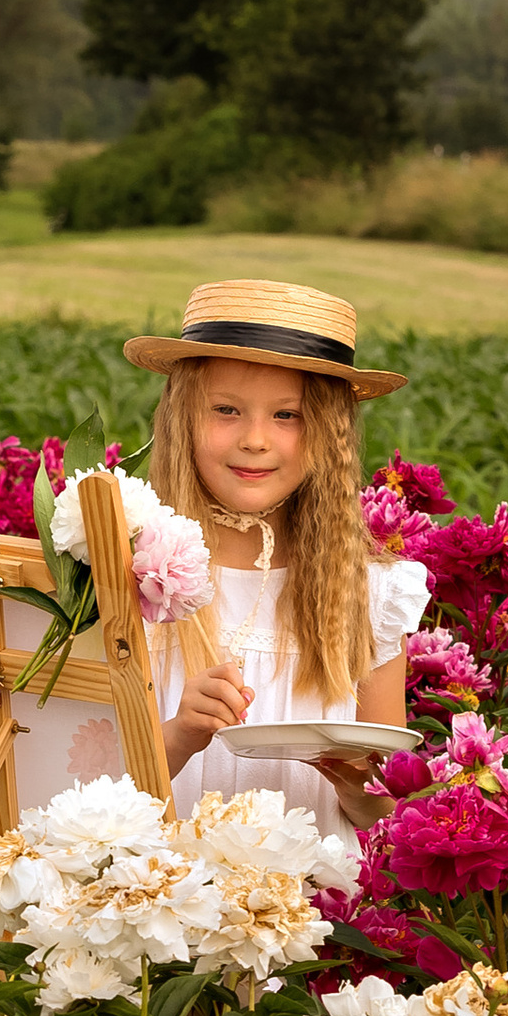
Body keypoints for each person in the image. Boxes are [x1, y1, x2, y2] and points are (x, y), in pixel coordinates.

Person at [124, 280, 429, 844]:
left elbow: (387, 817)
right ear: (180, 416)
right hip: (153, 902)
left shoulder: (366, 589)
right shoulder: (129, 573)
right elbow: (81, 788)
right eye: (225, 410)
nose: (256, 440)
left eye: (287, 415)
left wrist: (358, 783)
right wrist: (178, 735)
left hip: (308, 912)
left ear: (330, 436)